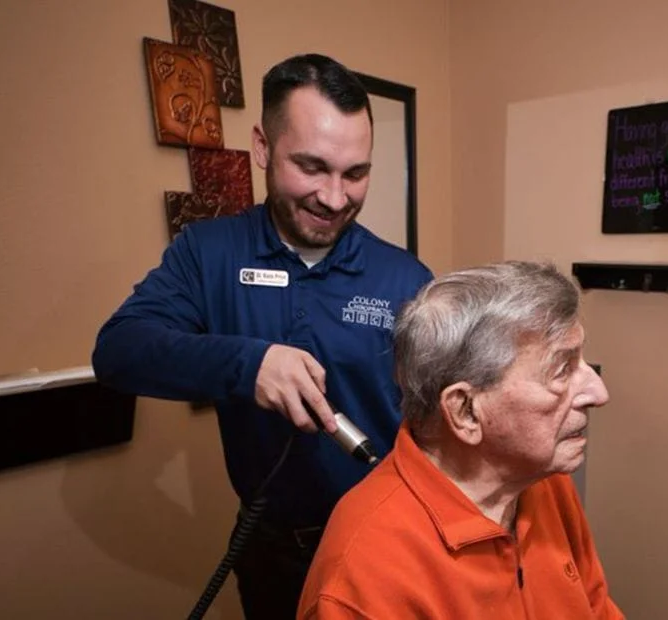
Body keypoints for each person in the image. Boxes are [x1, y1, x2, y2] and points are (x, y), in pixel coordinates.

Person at [91, 53, 433, 619]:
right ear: (262, 148)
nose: (334, 196)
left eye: (355, 173)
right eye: (312, 167)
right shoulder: (208, 254)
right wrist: (247, 365)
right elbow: (118, 352)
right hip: (275, 553)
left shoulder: (406, 278)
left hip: (389, 542)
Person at [297, 261, 625, 619]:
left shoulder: (543, 481)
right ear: (465, 411)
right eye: (562, 370)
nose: (598, 392)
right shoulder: (362, 580)